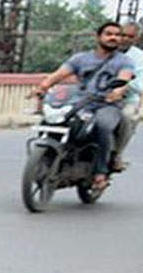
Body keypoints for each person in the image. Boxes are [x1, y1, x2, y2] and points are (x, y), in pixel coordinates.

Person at [35, 21, 135, 190]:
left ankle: (100, 173)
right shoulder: (80, 58)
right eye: (109, 34)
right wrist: (43, 86)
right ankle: (48, 160)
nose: (113, 38)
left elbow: (124, 78)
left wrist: (118, 90)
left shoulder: (124, 61)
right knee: (51, 121)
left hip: (107, 104)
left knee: (103, 126)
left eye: (117, 35)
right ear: (98, 37)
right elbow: (59, 74)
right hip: (81, 103)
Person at [114, 19, 143, 169]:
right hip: (99, 97)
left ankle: (117, 154)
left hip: (126, 99)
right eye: (123, 35)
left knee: (127, 116)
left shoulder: (139, 58)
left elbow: (140, 84)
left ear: (136, 38)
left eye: (130, 37)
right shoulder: (106, 50)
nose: (125, 39)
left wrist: (124, 87)